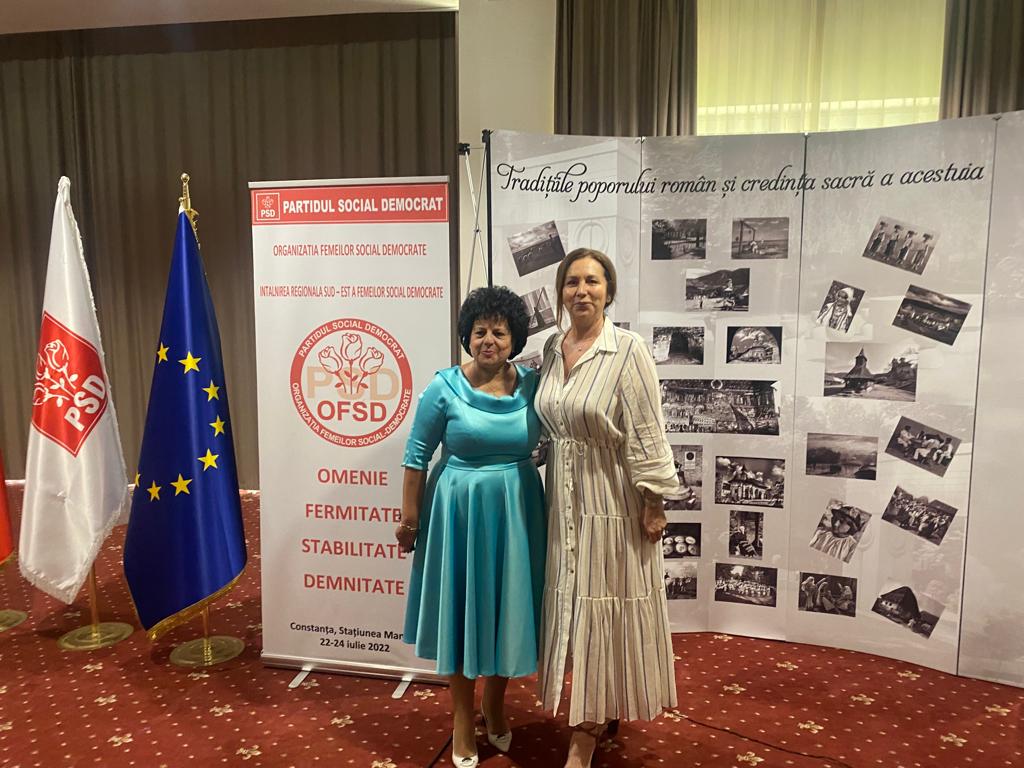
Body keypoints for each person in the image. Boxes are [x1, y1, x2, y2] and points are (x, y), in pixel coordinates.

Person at [534, 248, 680, 768]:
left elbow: (647, 430)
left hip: (611, 497)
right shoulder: (552, 348)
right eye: (572, 282)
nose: (582, 291)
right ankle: (599, 703)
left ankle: (588, 727)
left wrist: (654, 501)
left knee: (605, 605)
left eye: (592, 281)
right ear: (561, 292)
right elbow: (550, 423)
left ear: (609, 291)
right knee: (573, 606)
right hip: (563, 501)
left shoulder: (628, 349)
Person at [396, 286, 546, 768]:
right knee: (462, 615)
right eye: (479, 331)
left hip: (518, 510)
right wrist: (410, 520)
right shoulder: (444, 387)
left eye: (499, 332)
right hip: (458, 512)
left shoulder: (534, 385)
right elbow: (416, 457)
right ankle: (463, 718)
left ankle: (495, 703)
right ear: (467, 336)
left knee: (508, 609)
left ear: (515, 338)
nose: (488, 341)